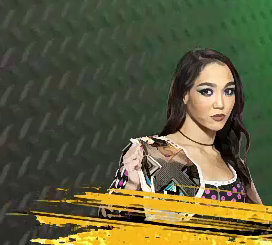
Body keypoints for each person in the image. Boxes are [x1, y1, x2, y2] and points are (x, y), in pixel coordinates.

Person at [109, 48, 263, 204]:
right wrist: (131, 185)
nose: (220, 104)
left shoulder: (234, 164)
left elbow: (263, 218)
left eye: (229, 91)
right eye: (207, 91)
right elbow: (107, 217)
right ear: (184, 94)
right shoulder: (149, 153)